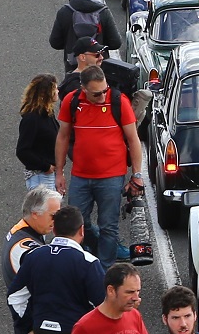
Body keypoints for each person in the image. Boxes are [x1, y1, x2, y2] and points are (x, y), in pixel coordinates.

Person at [55, 66, 141, 263]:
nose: (103, 96)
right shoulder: (71, 101)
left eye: (105, 90)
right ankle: (88, 258)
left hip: (112, 177)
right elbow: (63, 137)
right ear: (83, 89)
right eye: (97, 94)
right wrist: (59, 172)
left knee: (108, 226)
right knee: (76, 223)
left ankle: (104, 272)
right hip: (81, 175)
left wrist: (137, 175)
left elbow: (133, 140)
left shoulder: (119, 101)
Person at [21, 205, 106, 334]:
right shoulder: (89, 262)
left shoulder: (33, 256)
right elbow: (104, 305)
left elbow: (16, 296)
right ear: (81, 230)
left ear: (54, 230)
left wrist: (27, 325)